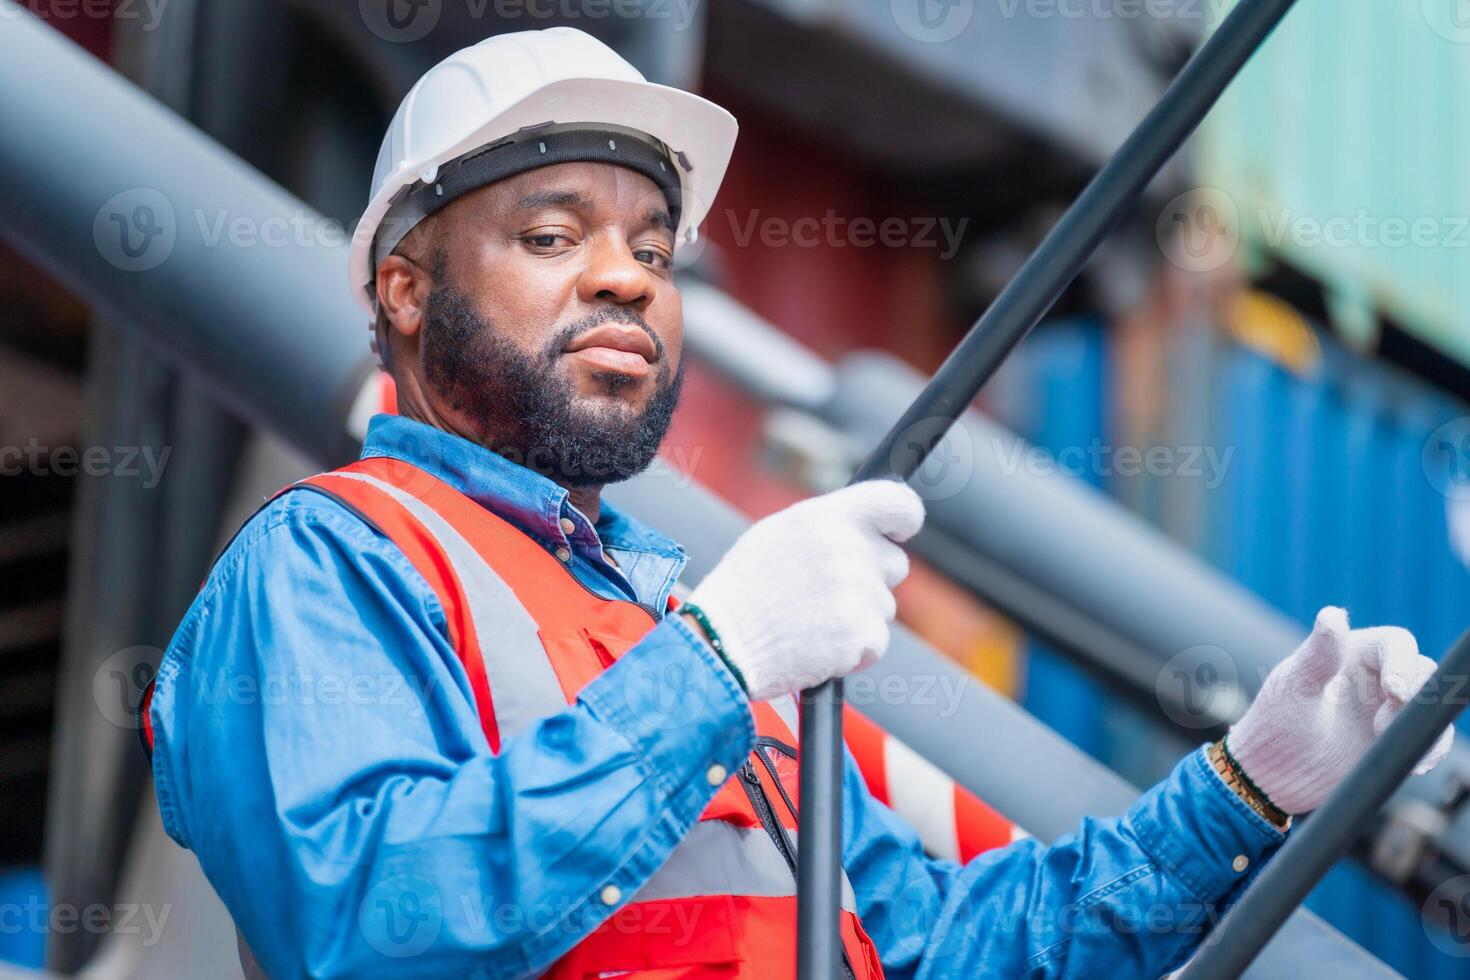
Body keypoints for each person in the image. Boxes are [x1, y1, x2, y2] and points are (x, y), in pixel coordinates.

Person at [141, 28, 1455, 979]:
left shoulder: (674, 612)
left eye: (653, 251)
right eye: (552, 237)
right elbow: (367, 928)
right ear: (405, 292)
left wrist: (1247, 791)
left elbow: (948, 950)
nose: (624, 280)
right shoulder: (327, 564)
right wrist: (713, 668)